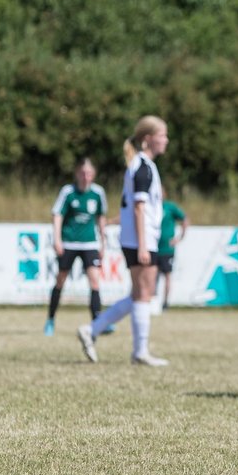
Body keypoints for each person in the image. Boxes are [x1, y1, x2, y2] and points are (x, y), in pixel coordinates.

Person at [77, 116, 171, 366]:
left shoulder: (141, 165)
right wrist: (142, 244)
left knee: (141, 294)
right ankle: (139, 351)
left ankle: (92, 329)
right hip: (141, 240)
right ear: (148, 139)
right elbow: (140, 209)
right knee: (143, 295)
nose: (166, 140)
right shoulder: (142, 167)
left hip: (139, 238)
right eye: (162, 135)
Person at [45, 158, 108, 336]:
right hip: (69, 243)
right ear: (77, 173)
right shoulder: (68, 192)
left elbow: (101, 219)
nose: (86, 177)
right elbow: (57, 214)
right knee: (61, 279)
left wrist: (103, 243)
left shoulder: (98, 193)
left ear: (93, 174)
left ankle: (97, 322)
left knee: (95, 281)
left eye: (89, 173)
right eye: (83, 173)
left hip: (90, 244)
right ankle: (50, 319)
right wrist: (57, 239)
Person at [155, 198, 187, 311]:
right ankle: (152, 302)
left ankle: (165, 303)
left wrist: (180, 237)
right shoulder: (151, 206)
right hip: (152, 248)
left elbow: (185, 218)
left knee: (167, 275)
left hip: (166, 250)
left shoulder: (170, 207)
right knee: (152, 276)